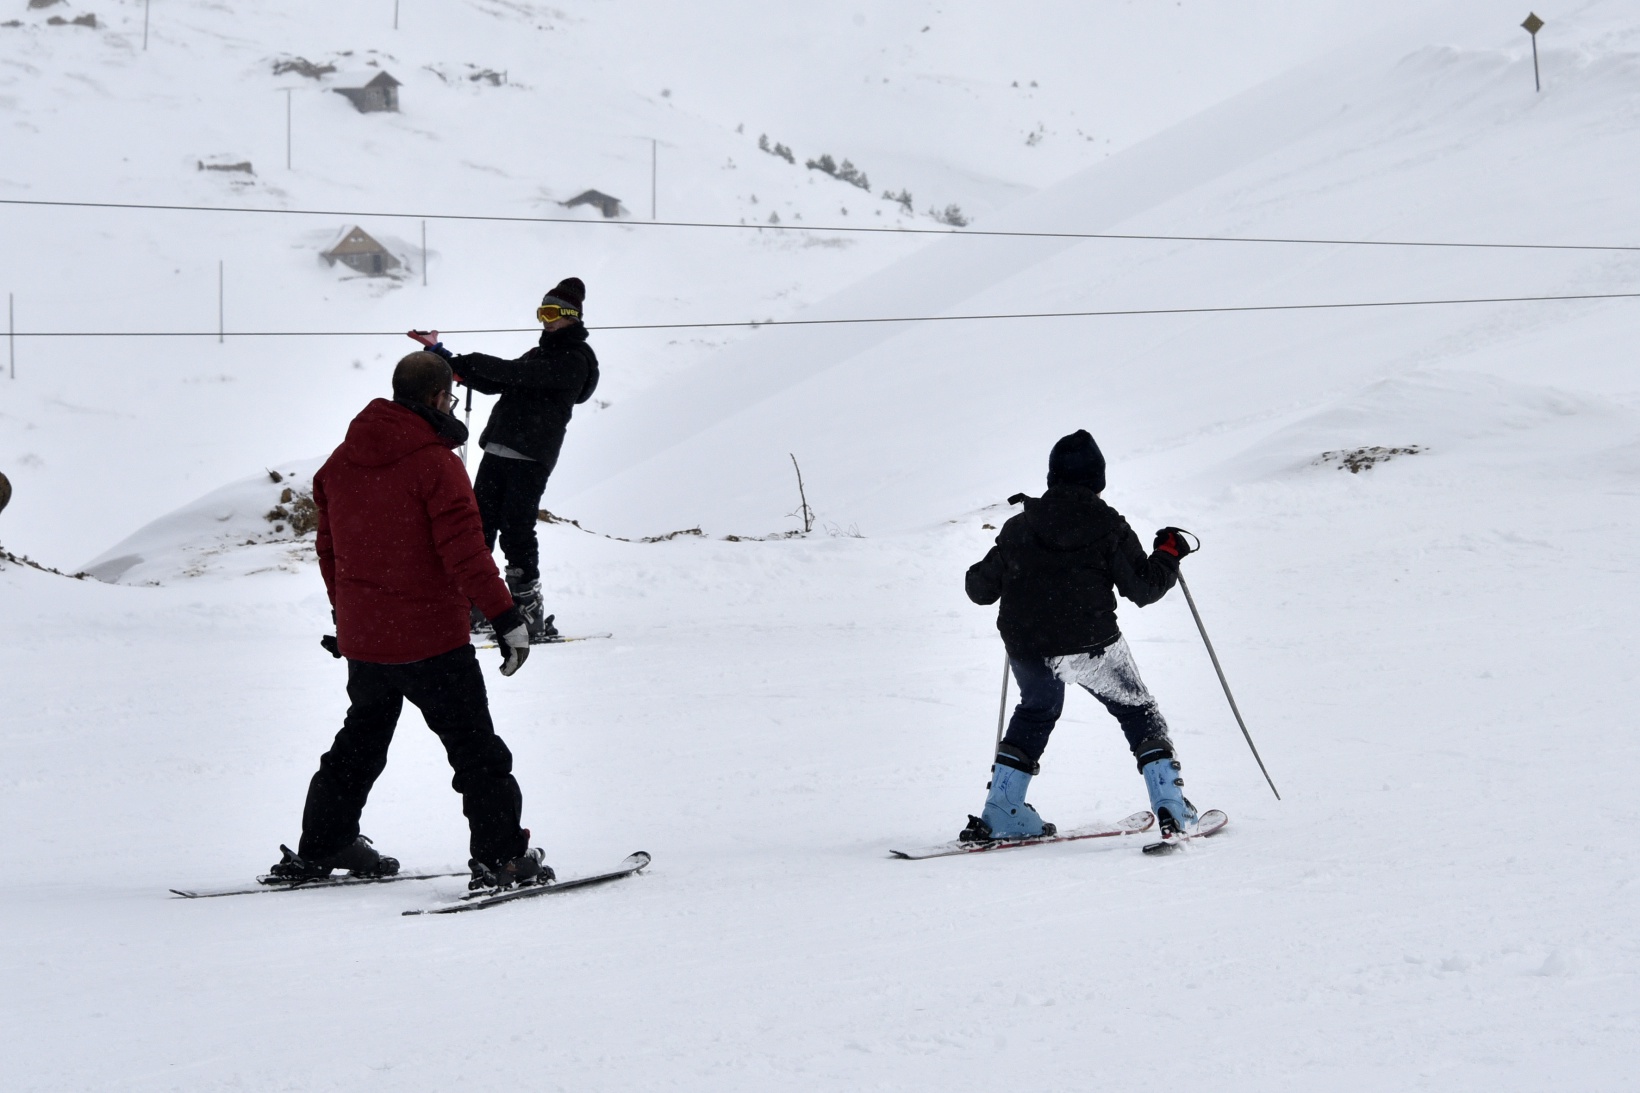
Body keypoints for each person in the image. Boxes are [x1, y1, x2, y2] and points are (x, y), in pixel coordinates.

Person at [269, 351, 550, 891]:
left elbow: (330, 553)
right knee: (475, 752)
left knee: (360, 743)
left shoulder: (340, 463)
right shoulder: (435, 463)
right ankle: (502, 858)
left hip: (369, 642)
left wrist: (346, 617)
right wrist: (506, 617)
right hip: (430, 641)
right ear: (438, 398)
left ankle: (325, 843)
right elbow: (466, 551)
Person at [961, 429, 1200, 841]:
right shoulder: (1108, 525)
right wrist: (1169, 553)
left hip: (1027, 645)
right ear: (1098, 480)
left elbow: (979, 589)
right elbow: (1142, 589)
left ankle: (1002, 809)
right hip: (1091, 645)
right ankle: (1171, 807)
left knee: (1036, 710)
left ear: (1052, 476)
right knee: (1136, 709)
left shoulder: (1020, 526)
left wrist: (1007, 562)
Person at [410, 277, 600, 642]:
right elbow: (495, 381)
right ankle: (479, 605)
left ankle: (528, 612)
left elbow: (514, 375)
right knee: (478, 529)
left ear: (571, 316)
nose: (545, 320)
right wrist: (447, 362)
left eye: (551, 313)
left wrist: (457, 361)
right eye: (541, 312)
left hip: (531, 457)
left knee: (516, 530)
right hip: (497, 450)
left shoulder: (574, 361)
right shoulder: (539, 354)